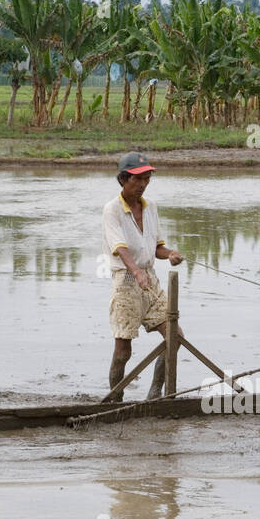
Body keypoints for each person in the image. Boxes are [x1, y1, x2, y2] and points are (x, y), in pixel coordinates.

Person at [102, 151, 184, 401]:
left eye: (146, 179)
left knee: (176, 336)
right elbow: (120, 248)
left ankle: (155, 394)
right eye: (138, 179)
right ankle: (115, 398)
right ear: (123, 180)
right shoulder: (112, 210)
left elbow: (156, 248)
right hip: (126, 282)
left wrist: (170, 254)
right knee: (123, 348)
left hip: (150, 280)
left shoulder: (150, 208)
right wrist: (136, 272)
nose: (143, 185)